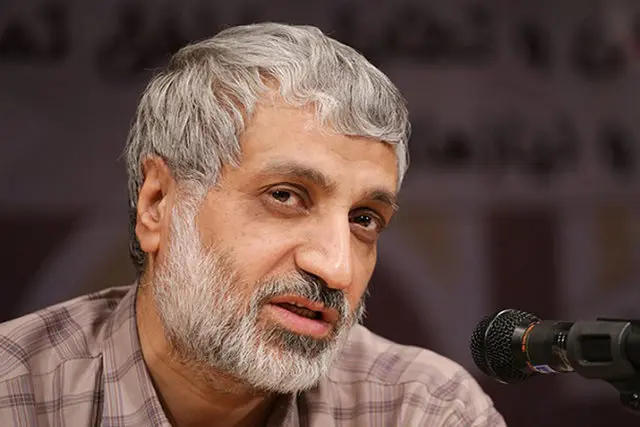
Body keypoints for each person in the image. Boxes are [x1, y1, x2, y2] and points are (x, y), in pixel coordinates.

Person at [0, 23, 505, 426]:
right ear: (157, 204)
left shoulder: (423, 408)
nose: (337, 269)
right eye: (285, 196)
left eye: (364, 219)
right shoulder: (15, 395)